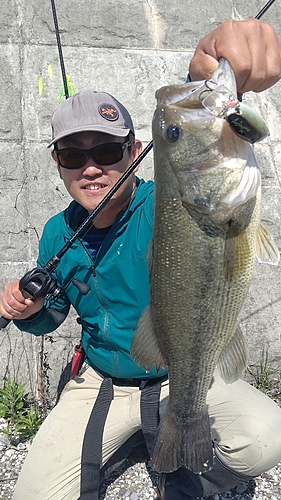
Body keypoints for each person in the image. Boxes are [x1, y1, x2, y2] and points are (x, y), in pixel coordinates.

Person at [0, 18, 281, 500]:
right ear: (58, 163)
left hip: (183, 371)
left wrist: (205, 73)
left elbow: (205, 148)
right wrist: (27, 312)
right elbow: (54, 314)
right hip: (104, 379)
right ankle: (136, 438)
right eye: (72, 154)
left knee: (265, 441)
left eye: (108, 150)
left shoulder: (166, 204)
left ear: (133, 152)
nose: (91, 167)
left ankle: (176, 447)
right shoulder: (54, 233)